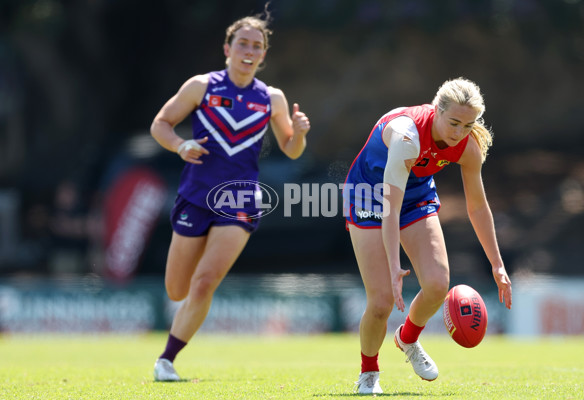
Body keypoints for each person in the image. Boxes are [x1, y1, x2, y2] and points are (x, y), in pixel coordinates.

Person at [149, 10, 310, 381]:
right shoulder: (201, 86)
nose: (249, 51)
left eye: (257, 46)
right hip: (194, 195)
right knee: (176, 289)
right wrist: (179, 145)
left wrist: (299, 132)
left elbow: (291, 148)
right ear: (228, 48)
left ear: (264, 55)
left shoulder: (272, 97)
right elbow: (161, 123)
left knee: (205, 282)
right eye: (243, 43)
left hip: (240, 199)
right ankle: (179, 328)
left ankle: (166, 360)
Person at [343, 78, 512, 394]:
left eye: (468, 124)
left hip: (416, 195)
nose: (459, 132)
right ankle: (369, 373)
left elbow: (477, 207)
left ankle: (407, 338)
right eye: (454, 123)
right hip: (368, 196)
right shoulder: (407, 136)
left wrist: (497, 263)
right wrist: (395, 266)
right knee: (380, 301)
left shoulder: (468, 146)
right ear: (437, 110)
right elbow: (389, 209)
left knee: (437, 284)